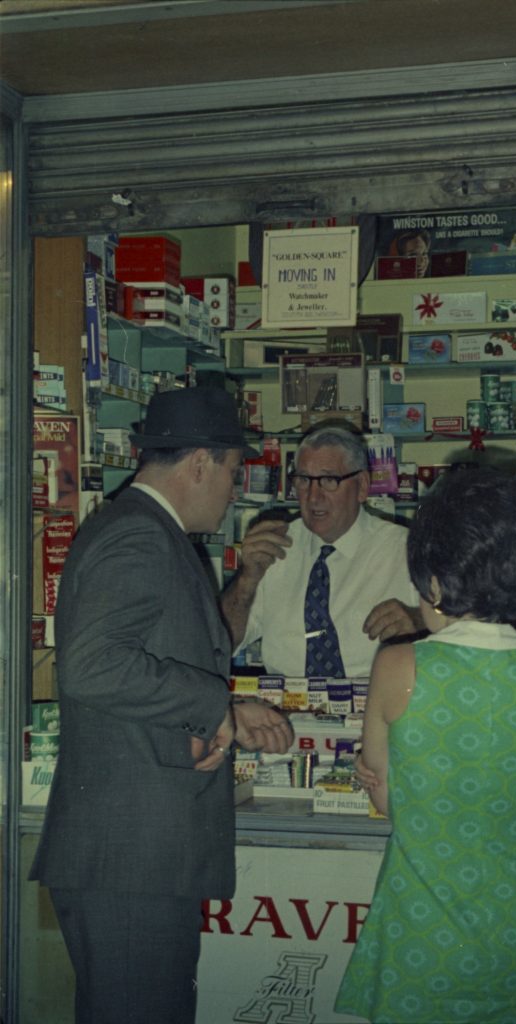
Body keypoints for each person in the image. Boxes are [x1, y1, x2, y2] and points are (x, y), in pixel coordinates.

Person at [30, 387, 294, 1024]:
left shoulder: (152, 533)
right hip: (129, 861)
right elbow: (93, 665)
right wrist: (216, 708)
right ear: (199, 462)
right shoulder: (140, 538)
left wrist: (209, 721)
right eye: (234, 470)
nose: (235, 489)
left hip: (140, 855)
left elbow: (139, 674)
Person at [335, 468, 516, 1024]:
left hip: (424, 930)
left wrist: (381, 783)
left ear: (436, 584)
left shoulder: (400, 665)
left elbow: (385, 796)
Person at [221, 423, 423, 678]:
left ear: (361, 486)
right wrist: (247, 578)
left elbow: (468, 628)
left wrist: (420, 621)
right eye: (304, 480)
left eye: (329, 480)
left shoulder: (405, 549)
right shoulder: (275, 546)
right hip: (286, 711)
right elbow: (220, 644)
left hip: (377, 708)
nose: (314, 496)